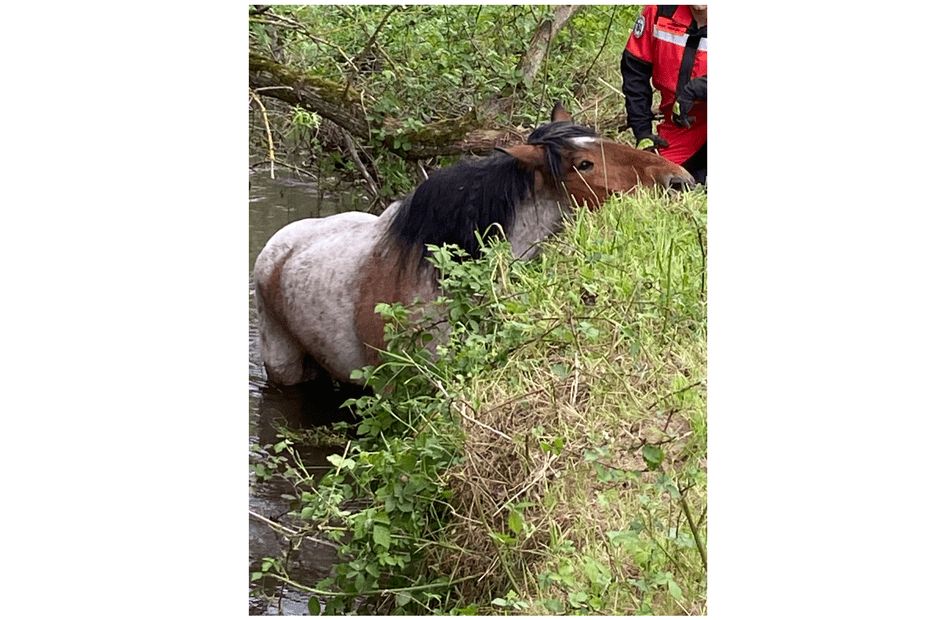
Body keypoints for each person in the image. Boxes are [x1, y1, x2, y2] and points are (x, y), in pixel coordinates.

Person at [621, 5, 707, 185]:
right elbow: (635, 72)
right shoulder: (659, 12)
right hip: (681, 127)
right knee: (648, 180)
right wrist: (642, 131)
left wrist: (698, 88)